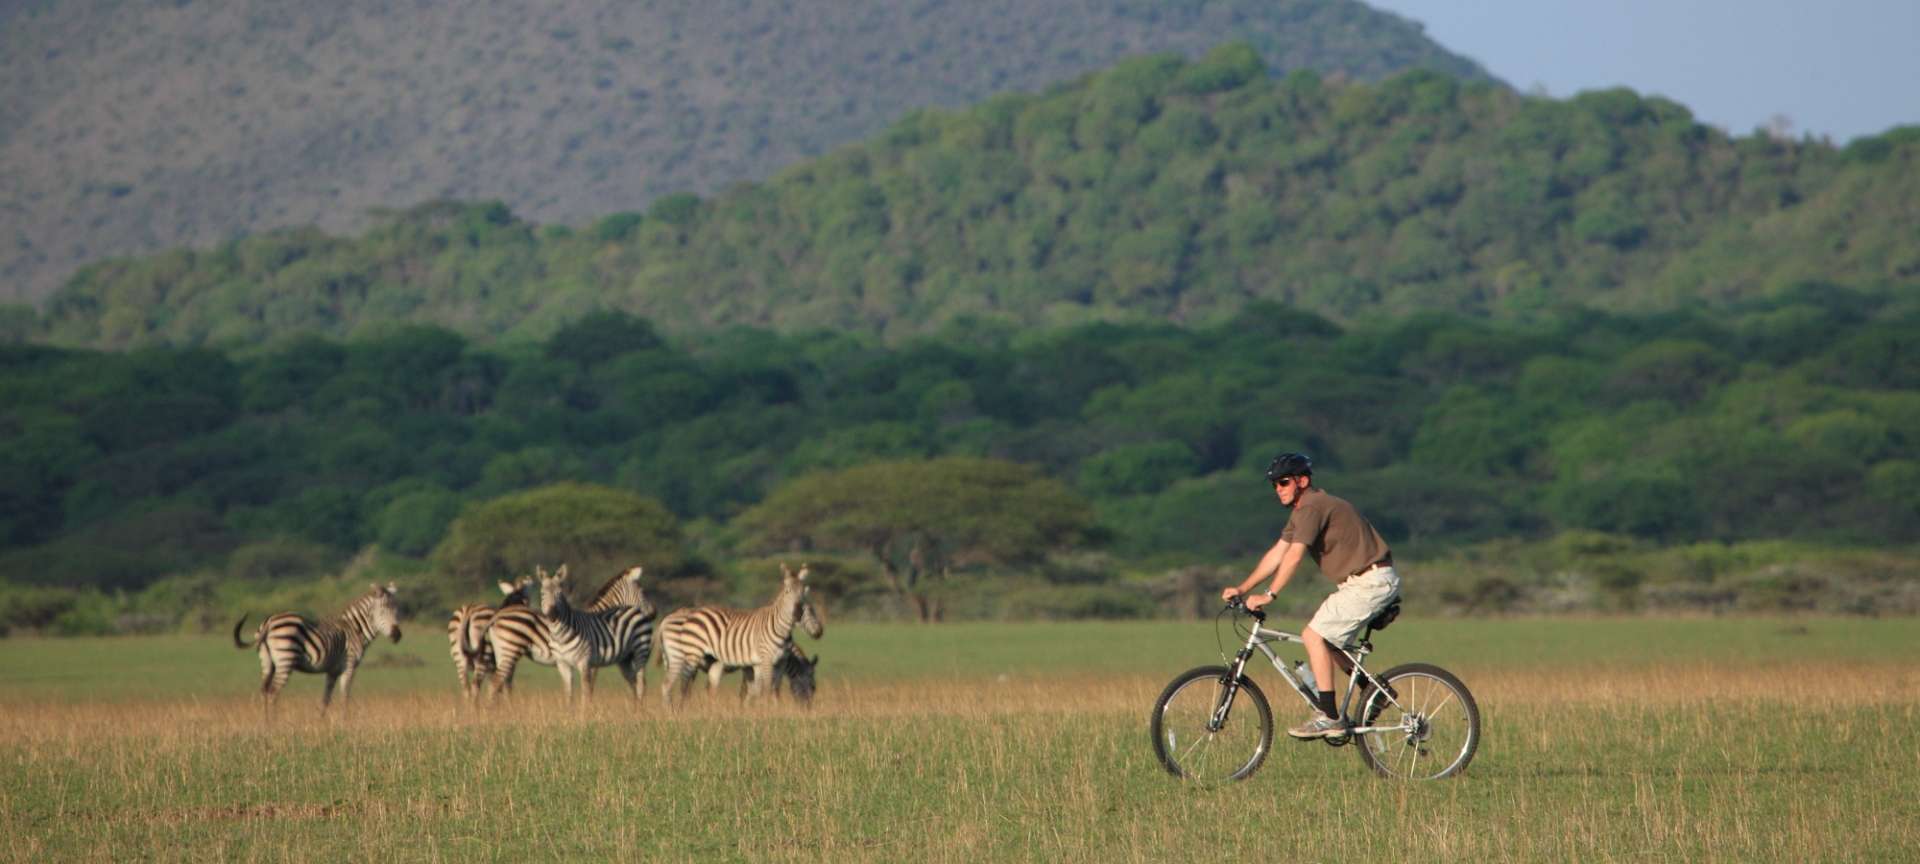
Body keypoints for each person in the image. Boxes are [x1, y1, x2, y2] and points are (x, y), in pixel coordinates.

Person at [1221, 452, 1399, 740]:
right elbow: (1277, 553)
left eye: (1284, 482)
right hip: (1361, 582)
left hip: (1371, 580)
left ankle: (1329, 717)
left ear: (1302, 481)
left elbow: (1293, 556)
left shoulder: (1313, 506)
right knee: (1325, 638)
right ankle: (1374, 691)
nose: (1279, 489)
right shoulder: (1301, 512)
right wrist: (1243, 588)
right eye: (1275, 485)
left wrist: (1269, 594)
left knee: (1313, 635)